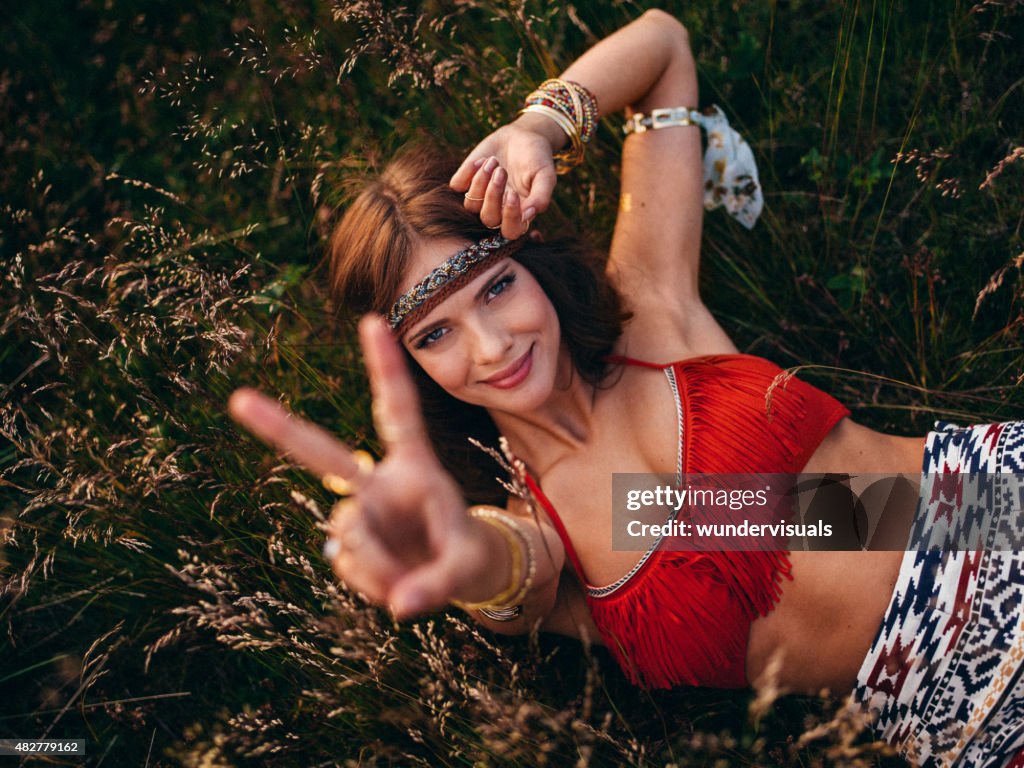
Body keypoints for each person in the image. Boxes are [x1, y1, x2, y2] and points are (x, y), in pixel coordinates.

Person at [227, 10, 1024, 767]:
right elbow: (511, 573)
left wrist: (537, 126)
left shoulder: (648, 310)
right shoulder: (541, 533)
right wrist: (457, 550)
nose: (492, 344)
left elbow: (664, 48)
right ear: (408, 367)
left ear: (529, 262)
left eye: (497, 288)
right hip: (957, 708)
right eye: (435, 333)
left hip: (991, 506)